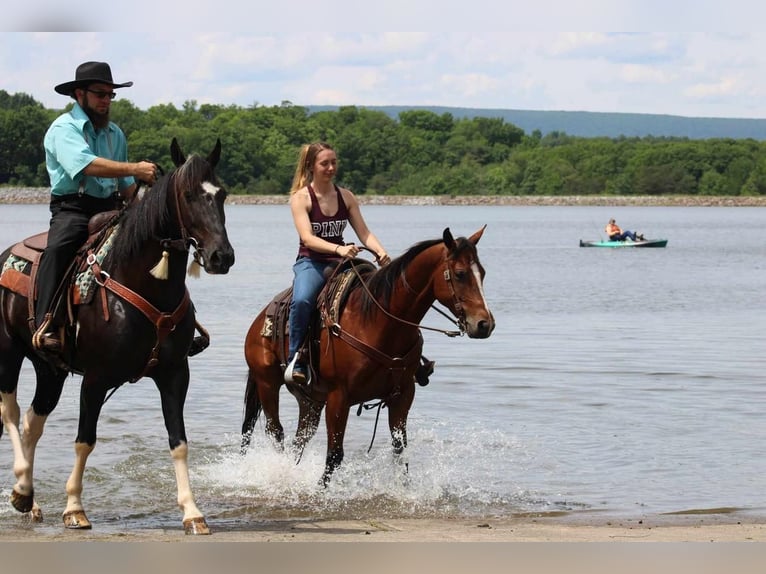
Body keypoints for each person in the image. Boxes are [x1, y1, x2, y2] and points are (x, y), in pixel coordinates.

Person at [32, 61, 158, 352]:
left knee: (154, 246)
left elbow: (126, 188)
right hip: (73, 210)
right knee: (59, 248)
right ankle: (46, 321)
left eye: (110, 95)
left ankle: (171, 322)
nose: (106, 101)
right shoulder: (63, 128)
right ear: (80, 94)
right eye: (100, 94)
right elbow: (86, 165)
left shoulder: (116, 134)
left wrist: (148, 208)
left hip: (111, 209)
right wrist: (136, 168)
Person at [284, 142, 391, 385]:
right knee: (301, 300)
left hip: (342, 262)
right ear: (311, 166)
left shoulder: (346, 197)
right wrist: (339, 248)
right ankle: (296, 358)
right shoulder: (301, 198)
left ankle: (404, 355)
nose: (331, 168)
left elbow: (364, 233)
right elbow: (308, 238)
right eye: (325, 163)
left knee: (379, 292)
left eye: (334, 162)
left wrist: (380, 251)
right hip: (311, 262)